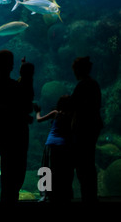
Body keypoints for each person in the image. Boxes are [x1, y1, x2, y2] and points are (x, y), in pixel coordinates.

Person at [0, 50, 31, 202]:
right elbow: (26, 102)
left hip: (6, 135)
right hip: (17, 135)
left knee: (8, 178)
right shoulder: (11, 86)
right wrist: (26, 75)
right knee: (16, 176)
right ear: (11, 65)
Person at [70, 56, 102, 202]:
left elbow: (73, 106)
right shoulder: (94, 84)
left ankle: (87, 197)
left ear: (79, 70)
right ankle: (91, 196)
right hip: (93, 127)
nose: (74, 72)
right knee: (89, 163)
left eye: (75, 69)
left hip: (83, 129)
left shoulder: (82, 85)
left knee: (83, 166)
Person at [36, 95, 73, 202]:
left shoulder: (56, 113)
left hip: (51, 144)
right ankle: (61, 195)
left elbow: (39, 119)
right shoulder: (72, 116)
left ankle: (44, 195)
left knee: (45, 169)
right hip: (64, 146)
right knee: (61, 171)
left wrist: (38, 111)